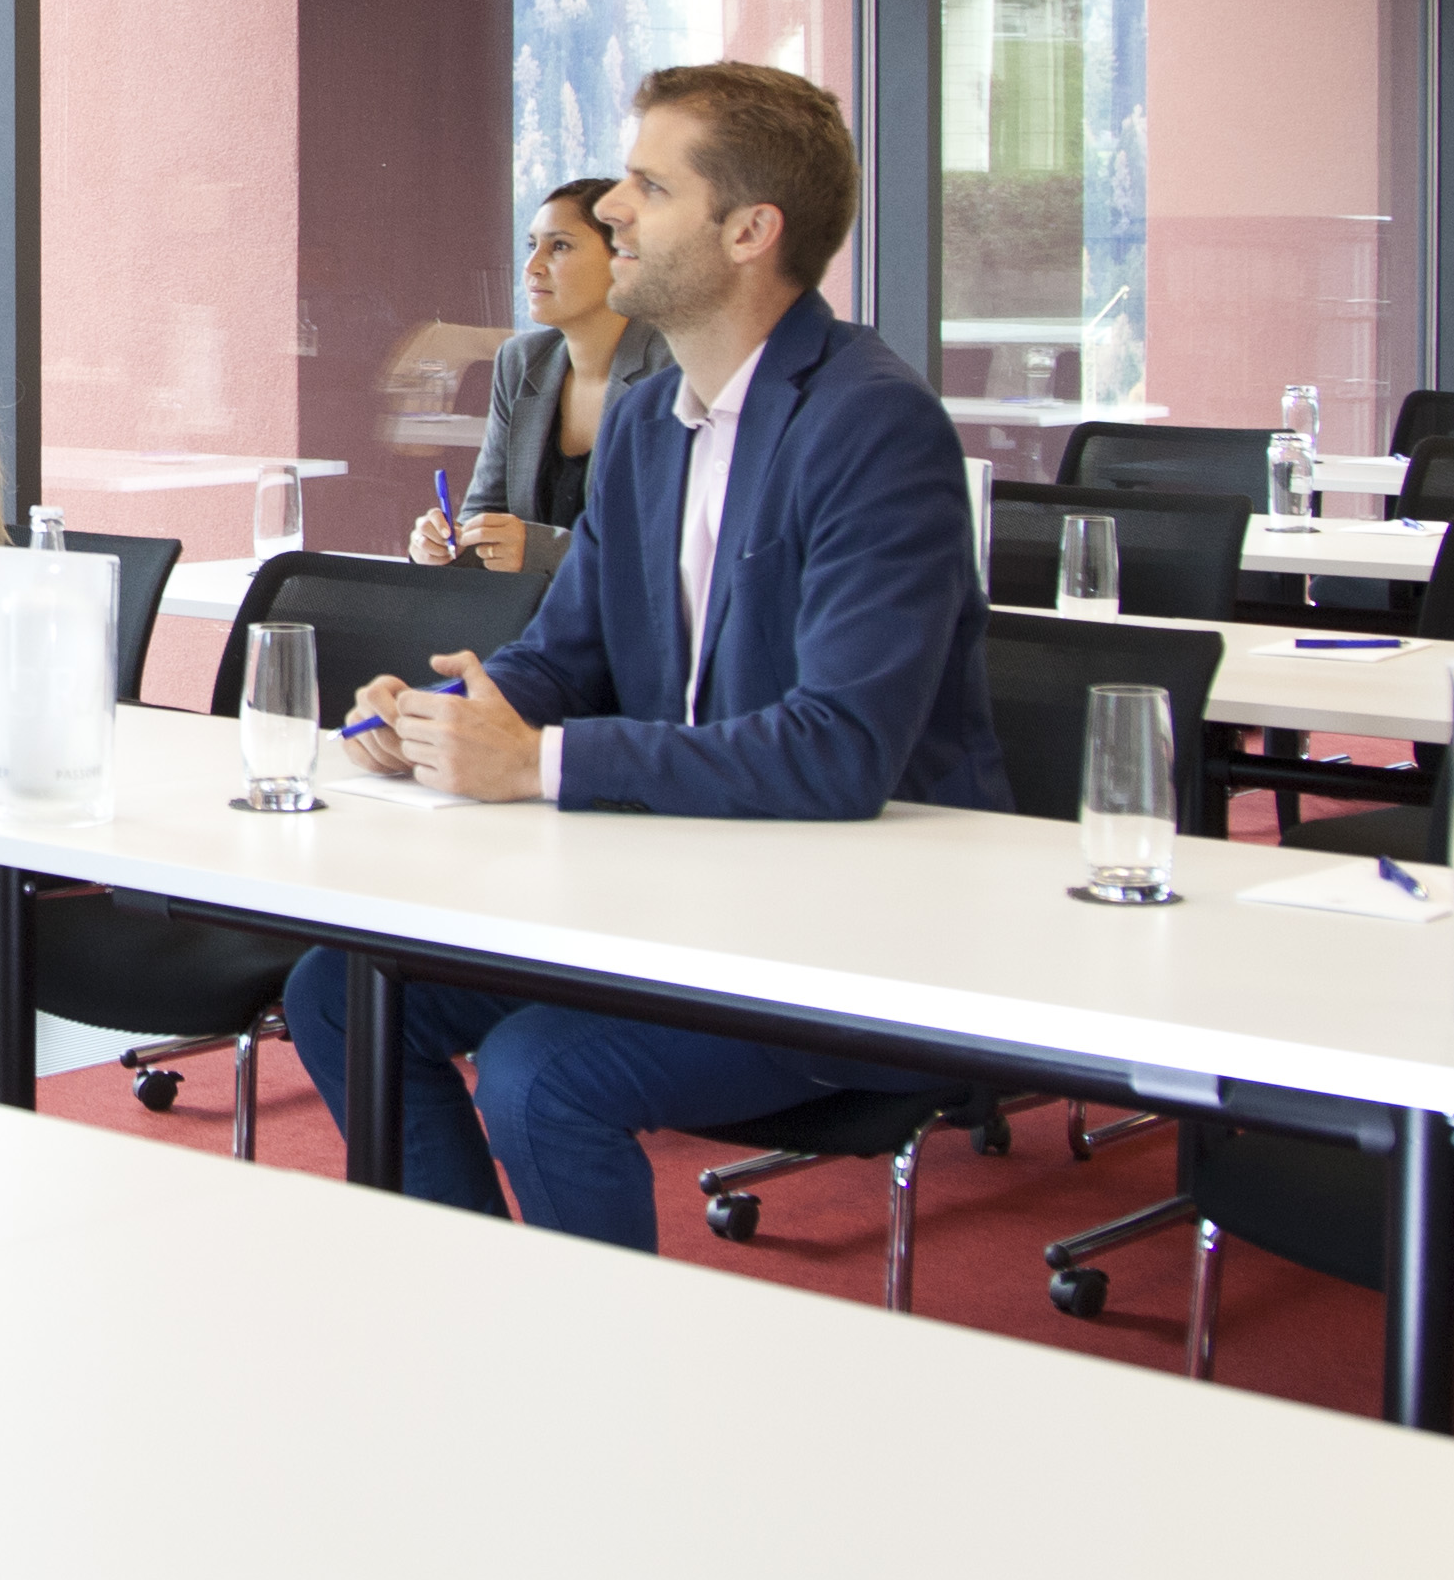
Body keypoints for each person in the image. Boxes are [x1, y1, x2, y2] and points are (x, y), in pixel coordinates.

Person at [291, 60, 1004, 1249]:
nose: (613, 209)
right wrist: (446, 719)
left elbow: (839, 750)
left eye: (649, 187)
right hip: (682, 890)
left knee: (539, 1074)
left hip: (855, 932)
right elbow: (566, 658)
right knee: (338, 990)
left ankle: (596, 1360)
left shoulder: (873, 423)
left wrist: (535, 764)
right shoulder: (646, 420)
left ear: (749, 232)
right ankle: (465, 1302)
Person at [410, 177, 667, 576]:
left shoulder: (670, 371)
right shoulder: (521, 361)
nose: (532, 266)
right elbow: (485, 513)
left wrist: (542, 552)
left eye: (559, 246)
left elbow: (666, 549)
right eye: (532, 245)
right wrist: (442, 545)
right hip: (528, 613)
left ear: (625, 258)